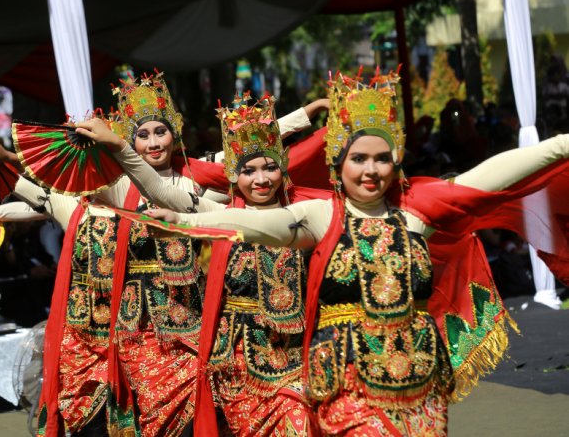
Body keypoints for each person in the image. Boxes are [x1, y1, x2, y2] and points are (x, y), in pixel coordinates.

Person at [141, 71, 569, 435]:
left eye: (382, 159)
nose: (370, 170)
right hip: (346, 389)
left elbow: (489, 177)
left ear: (396, 160)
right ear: (337, 165)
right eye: (358, 159)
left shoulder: (417, 209)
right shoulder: (319, 215)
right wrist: (183, 223)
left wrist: (562, 144)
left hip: (420, 392)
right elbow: (249, 223)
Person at [0, 71, 328, 436]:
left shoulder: (199, 180)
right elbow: (45, 197)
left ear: (175, 136)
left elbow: (251, 150)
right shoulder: (117, 185)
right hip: (130, 324)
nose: (154, 142)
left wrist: (303, 117)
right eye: (143, 135)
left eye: (162, 132)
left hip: (192, 322)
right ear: (129, 143)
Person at [76, 92, 326, 435]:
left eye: (271, 168)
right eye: (249, 171)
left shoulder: (309, 217)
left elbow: (256, 141)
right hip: (228, 357)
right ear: (233, 177)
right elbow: (159, 191)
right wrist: (119, 148)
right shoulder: (217, 212)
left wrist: (307, 114)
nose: (261, 180)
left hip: (292, 359)